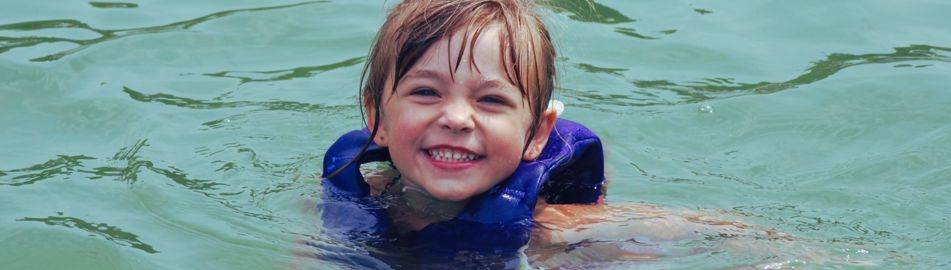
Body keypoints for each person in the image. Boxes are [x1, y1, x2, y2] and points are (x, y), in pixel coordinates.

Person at [309, 0, 807, 268]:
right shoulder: (351, 205)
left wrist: (794, 252)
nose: (457, 118)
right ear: (377, 117)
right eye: (425, 92)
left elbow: (715, 230)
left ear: (536, 135)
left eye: (491, 100)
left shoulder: (556, 228)